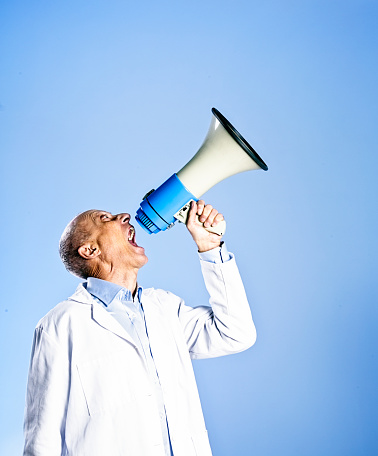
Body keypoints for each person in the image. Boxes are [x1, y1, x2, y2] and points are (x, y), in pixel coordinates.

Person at [23, 200, 256, 456]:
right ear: (90, 249)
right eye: (104, 218)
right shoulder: (62, 323)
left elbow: (235, 333)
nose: (124, 215)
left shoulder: (165, 307)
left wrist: (210, 247)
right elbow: (42, 435)